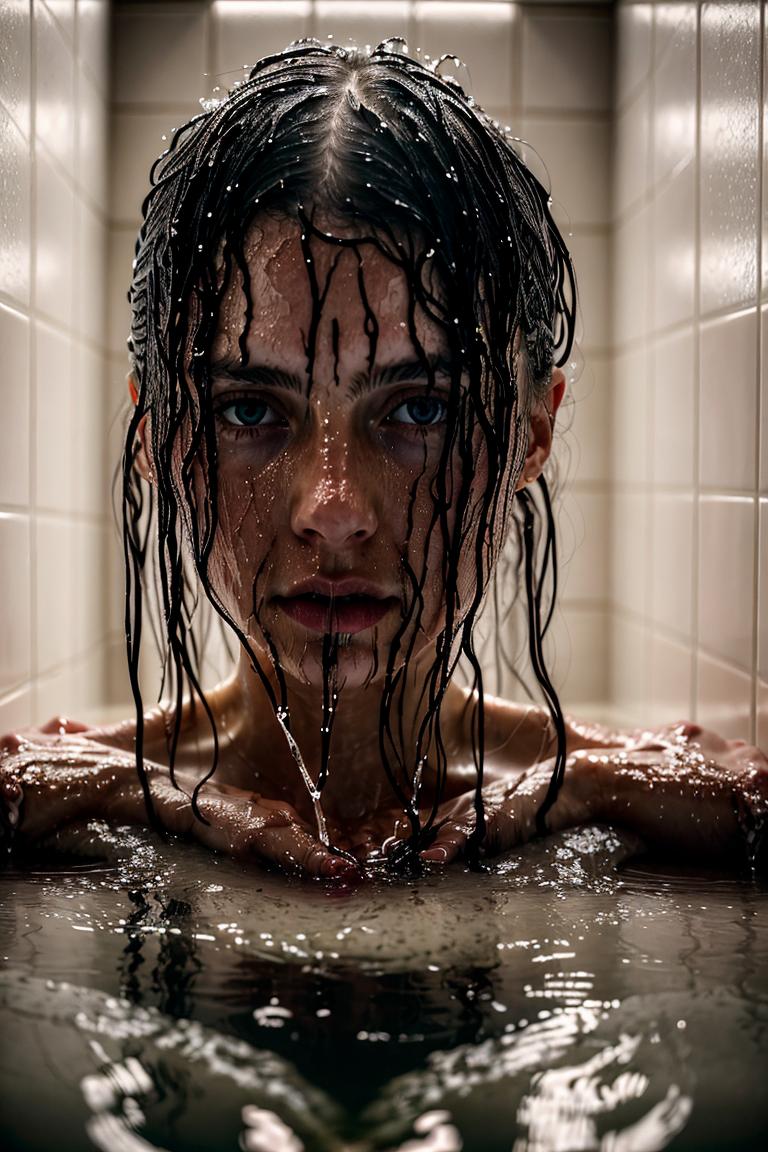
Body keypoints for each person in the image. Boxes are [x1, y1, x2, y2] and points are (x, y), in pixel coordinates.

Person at [1, 39, 765, 881]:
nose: (332, 507)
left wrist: (590, 787)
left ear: (533, 434)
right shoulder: (58, 796)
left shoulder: (657, 800)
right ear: (154, 438)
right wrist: (141, 794)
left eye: (419, 409)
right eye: (249, 409)